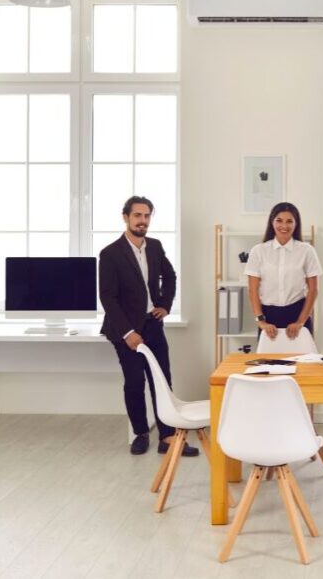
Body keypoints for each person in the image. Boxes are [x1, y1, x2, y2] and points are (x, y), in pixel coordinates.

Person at [99, 196, 198, 457]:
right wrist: (128, 333)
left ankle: (167, 436)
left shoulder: (154, 246)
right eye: (137, 215)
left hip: (152, 323)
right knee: (134, 382)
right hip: (124, 328)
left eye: (146, 216)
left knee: (162, 380)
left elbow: (170, 276)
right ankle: (140, 434)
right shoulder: (110, 254)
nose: (142, 221)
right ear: (126, 217)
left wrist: (165, 305)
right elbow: (107, 297)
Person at [245, 202, 322, 340]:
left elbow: (313, 290)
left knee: (302, 354)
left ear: (296, 224)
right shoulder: (258, 251)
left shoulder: (307, 251)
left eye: (289, 221)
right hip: (269, 317)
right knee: (268, 354)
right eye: (279, 221)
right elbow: (252, 290)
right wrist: (261, 322)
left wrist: (300, 322)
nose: (284, 226)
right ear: (272, 222)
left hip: (298, 314)